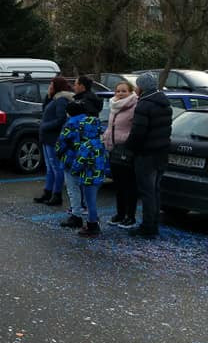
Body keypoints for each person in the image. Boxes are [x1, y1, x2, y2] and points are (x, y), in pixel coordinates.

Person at [124, 72, 172, 239]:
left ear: (142, 87)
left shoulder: (144, 105)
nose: (136, 88)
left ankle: (147, 226)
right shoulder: (164, 103)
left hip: (146, 155)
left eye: (137, 85)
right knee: (155, 190)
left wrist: (128, 149)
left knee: (147, 192)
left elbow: (138, 133)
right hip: (161, 154)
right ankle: (154, 223)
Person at [55, 101, 110, 236]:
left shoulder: (74, 128)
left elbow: (63, 143)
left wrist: (62, 156)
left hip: (81, 169)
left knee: (74, 189)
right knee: (90, 200)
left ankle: (83, 219)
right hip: (97, 176)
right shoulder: (99, 143)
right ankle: (91, 220)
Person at [102, 80, 138, 227]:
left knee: (130, 185)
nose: (120, 94)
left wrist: (128, 143)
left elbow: (136, 129)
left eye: (124, 91)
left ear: (131, 92)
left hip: (126, 150)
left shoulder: (135, 106)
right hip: (113, 149)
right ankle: (120, 213)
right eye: (118, 91)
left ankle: (131, 216)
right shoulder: (114, 106)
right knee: (119, 185)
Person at [34, 76, 74, 206]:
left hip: (53, 138)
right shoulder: (53, 99)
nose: (49, 88)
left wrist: (45, 126)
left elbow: (61, 118)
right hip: (46, 138)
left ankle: (57, 195)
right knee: (49, 167)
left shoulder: (61, 100)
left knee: (56, 167)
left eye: (51, 85)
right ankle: (48, 192)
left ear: (56, 86)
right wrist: (48, 97)